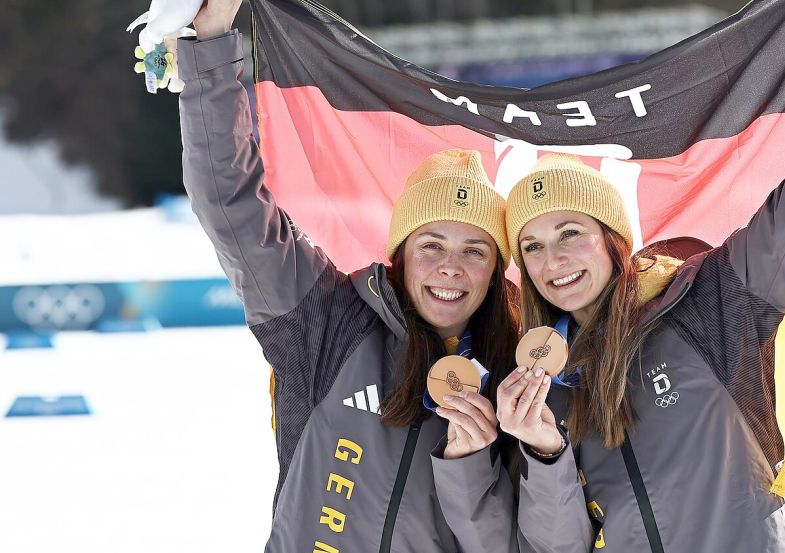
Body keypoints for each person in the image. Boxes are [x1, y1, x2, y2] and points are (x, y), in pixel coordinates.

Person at [492, 2, 785, 551]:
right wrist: (544, 454)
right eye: (533, 247)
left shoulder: (711, 305)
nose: (554, 261)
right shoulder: (536, 388)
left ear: (615, 241)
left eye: (571, 233)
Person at [179, 2, 528, 552]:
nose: (450, 267)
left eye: (475, 250)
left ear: (496, 270)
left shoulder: (520, 374)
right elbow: (232, 205)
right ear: (399, 255)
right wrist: (211, 42)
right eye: (430, 244)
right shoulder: (328, 324)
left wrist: (470, 468)